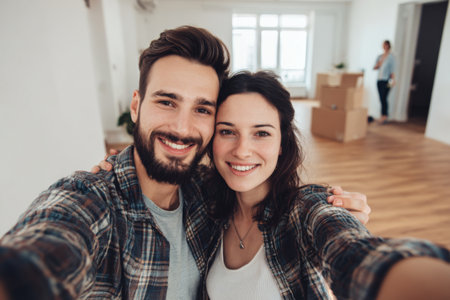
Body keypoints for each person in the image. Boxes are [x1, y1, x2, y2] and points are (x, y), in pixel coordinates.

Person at [0, 26, 370, 299]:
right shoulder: (91, 200)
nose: (181, 128)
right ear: (135, 106)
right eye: (166, 101)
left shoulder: (206, 194)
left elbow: (352, 251)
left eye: (202, 109)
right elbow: (47, 247)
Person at [202, 71, 450, 299]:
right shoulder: (204, 202)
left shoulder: (305, 209)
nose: (242, 151)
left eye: (262, 133)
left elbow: (356, 254)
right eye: (227, 131)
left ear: (282, 144)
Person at [373, 40, 396, 124]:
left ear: (388, 46)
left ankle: (384, 116)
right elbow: (375, 67)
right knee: (381, 98)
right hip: (379, 80)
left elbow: (393, 70)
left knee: (384, 98)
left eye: (386, 45)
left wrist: (393, 80)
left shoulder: (391, 57)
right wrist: (379, 63)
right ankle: (383, 115)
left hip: (387, 80)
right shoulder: (379, 56)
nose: (384, 47)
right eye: (383, 45)